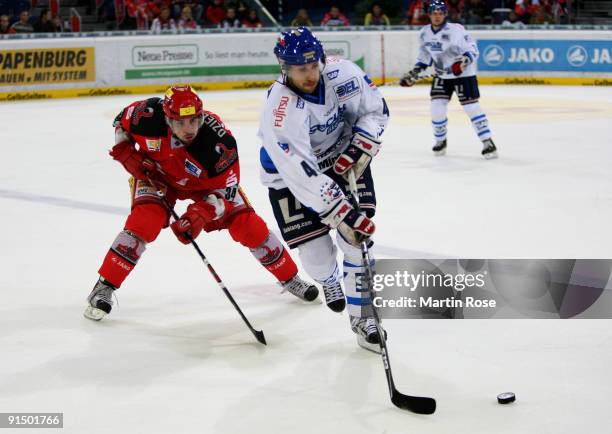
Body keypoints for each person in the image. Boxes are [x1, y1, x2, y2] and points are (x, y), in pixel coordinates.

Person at [84, 86, 318, 321]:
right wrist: (124, 149)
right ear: (167, 118)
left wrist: (202, 212)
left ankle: (290, 278)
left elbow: (226, 191)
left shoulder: (218, 144)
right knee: (144, 222)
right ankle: (104, 286)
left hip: (208, 187)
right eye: (181, 122)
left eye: (195, 120)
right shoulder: (146, 115)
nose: (190, 129)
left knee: (249, 225)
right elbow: (120, 123)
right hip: (157, 176)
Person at [257, 27, 389, 352]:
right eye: (302, 69)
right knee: (317, 258)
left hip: (344, 160)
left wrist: (361, 145)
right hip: (288, 179)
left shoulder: (343, 72)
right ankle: (329, 280)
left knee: (357, 243)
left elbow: (375, 110)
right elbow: (301, 173)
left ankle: (364, 320)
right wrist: (341, 211)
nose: (311, 74)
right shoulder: (279, 109)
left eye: (314, 64)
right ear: (284, 67)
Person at [400, 0, 497, 158]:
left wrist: (463, 61)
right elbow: (424, 57)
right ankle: (440, 141)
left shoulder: (456, 30)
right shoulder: (425, 33)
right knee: (436, 109)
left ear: (445, 14)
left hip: (463, 75)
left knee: (472, 108)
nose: (437, 16)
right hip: (442, 76)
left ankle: (488, 142)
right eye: (434, 13)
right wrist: (415, 72)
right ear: (429, 14)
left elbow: (472, 49)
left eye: (440, 13)